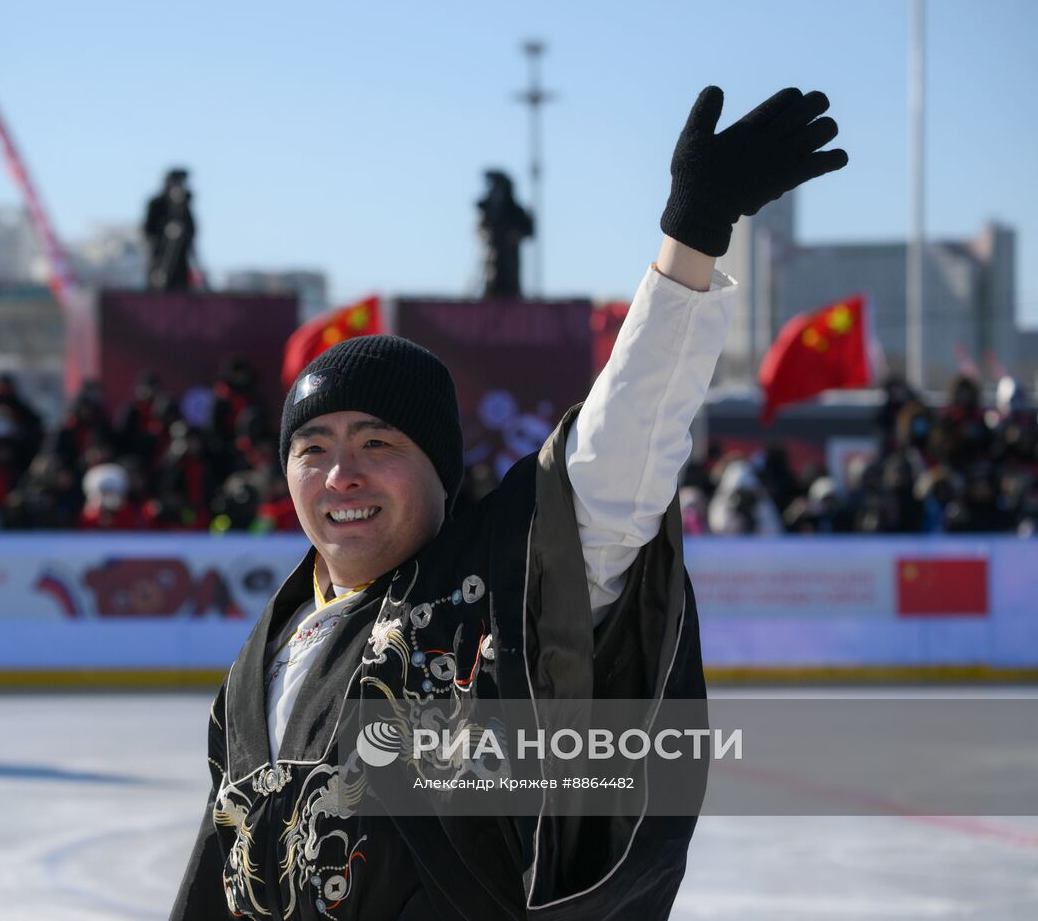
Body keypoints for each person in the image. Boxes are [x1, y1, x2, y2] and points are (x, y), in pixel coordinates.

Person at [170, 85, 847, 919]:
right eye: (313, 449)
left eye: (377, 443)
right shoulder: (259, 658)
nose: (341, 472)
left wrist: (690, 240)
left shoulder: (490, 588)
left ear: (439, 469)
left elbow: (614, 462)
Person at [477, 169, 535, 299]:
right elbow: (479, 229)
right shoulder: (488, 210)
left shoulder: (515, 211)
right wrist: (486, 235)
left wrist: (515, 236)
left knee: (510, 287)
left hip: (509, 259)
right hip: (491, 256)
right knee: (490, 283)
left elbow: (528, 230)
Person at [144, 168, 198, 292]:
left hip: (181, 265)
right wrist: (166, 231)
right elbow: (148, 231)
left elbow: (192, 231)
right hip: (160, 260)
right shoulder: (156, 204)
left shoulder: (185, 205)